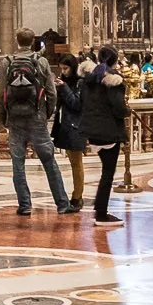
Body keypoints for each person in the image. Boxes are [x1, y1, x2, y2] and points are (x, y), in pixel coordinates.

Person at [0, 29, 74, 216]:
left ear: (17, 41)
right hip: (37, 118)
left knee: (18, 163)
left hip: (15, 119)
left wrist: (4, 118)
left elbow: (0, 94)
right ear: (33, 41)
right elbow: (52, 92)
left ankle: (25, 205)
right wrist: (46, 114)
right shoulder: (40, 61)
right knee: (49, 162)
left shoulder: (7, 62)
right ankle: (62, 203)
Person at [80, 44, 129, 224]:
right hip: (109, 131)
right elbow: (117, 107)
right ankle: (101, 213)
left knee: (105, 172)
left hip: (92, 129)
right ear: (115, 60)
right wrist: (126, 112)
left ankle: (99, 207)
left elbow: (82, 103)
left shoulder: (87, 79)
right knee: (108, 173)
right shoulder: (113, 81)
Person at [54, 53, 89, 199]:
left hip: (77, 126)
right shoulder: (65, 81)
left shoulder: (81, 82)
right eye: (61, 69)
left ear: (73, 67)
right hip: (66, 126)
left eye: (66, 68)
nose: (63, 72)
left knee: (76, 163)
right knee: (72, 161)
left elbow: (76, 104)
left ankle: (77, 196)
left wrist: (64, 88)